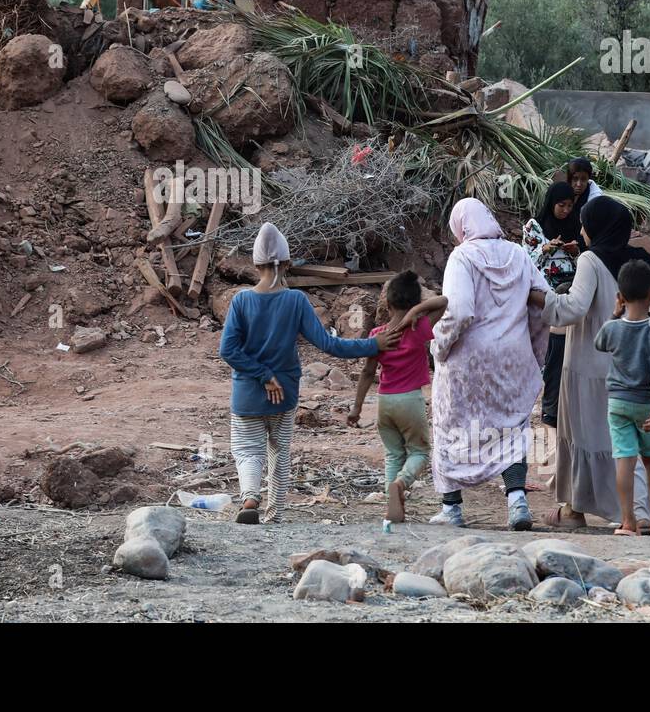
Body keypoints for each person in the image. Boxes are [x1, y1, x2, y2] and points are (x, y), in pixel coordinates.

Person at [219, 222, 403, 524]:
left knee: (248, 450)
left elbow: (228, 351)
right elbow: (328, 344)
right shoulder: (295, 301)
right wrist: (373, 345)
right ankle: (275, 515)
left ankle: (250, 497)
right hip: (286, 393)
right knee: (279, 453)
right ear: (288, 263)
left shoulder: (241, 301)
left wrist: (263, 375)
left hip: (248, 394)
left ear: (255, 264)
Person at [536, 196, 650, 531]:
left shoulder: (591, 259)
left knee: (585, 439)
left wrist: (541, 298)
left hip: (589, 366)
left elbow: (573, 308)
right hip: (634, 373)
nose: (580, 230)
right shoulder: (642, 260)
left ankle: (574, 510)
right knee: (630, 446)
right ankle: (637, 513)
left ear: (596, 226)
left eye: (584, 224)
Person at [429, 198, 550, 530]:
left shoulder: (462, 257)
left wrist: (438, 344)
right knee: (511, 427)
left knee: (451, 423)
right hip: (512, 357)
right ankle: (517, 501)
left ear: (462, 226)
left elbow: (461, 310)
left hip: (468, 359)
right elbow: (543, 301)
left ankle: (452, 509)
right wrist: (534, 348)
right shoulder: (519, 254)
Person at [348, 271, 449, 523]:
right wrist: (417, 311)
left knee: (393, 453)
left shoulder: (377, 335)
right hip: (410, 401)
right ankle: (401, 484)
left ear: (387, 304)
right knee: (420, 452)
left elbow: (367, 372)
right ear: (414, 302)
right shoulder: (418, 328)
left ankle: (391, 506)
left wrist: (356, 408)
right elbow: (444, 301)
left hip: (384, 402)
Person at [594, 259, 650, 537]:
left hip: (617, 404)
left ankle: (627, 523)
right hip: (647, 405)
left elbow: (598, 343)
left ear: (620, 297)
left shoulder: (612, 329)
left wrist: (615, 314)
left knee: (624, 461)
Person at [522, 181, 579, 429]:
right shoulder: (533, 226)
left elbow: (583, 254)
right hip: (544, 293)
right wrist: (546, 247)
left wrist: (574, 249)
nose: (565, 210)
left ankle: (560, 399)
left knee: (565, 345)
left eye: (569, 206)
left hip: (570, 290)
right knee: (548, 345)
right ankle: (544, 399)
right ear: (551, 203)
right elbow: (526, 258)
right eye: (561, 205)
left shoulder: (575, 224)